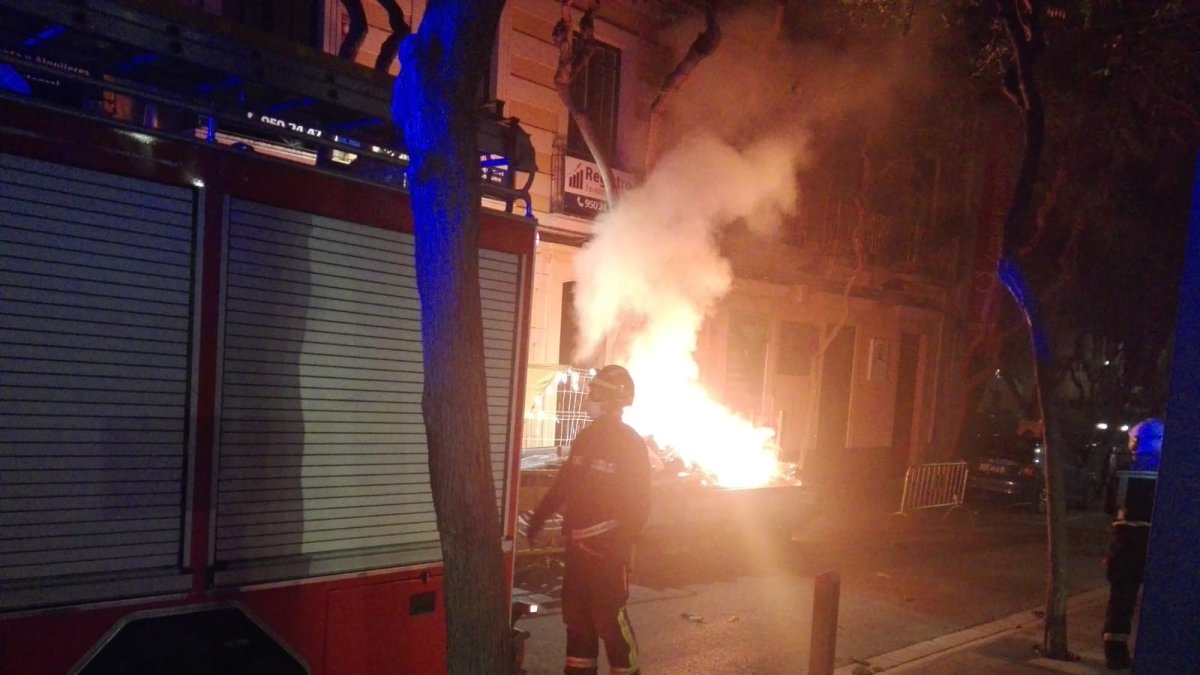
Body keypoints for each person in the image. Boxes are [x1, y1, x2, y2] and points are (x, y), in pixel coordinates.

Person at [526, 365, 652, 675]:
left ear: (612, 400)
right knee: (577, 620)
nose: (589, 398)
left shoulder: (629, 442)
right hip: (578, 548)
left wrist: (618, 543)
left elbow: (639, 502)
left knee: (609, 619)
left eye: (595, 393)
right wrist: (539, 518)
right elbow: (565, 483)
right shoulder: (587, 437)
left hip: (609, 552)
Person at [1101, 417, 1163, 670]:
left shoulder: (1122, 469)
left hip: (1125, 541)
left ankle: (1115, 655)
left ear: (1135, 441)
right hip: (1157, 543)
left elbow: (1109, 506)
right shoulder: (1172, 470)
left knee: (1121, 599)